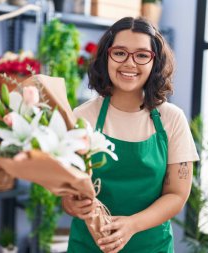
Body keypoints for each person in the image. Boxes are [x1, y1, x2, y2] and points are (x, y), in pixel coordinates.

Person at [62, 17, 199, 253]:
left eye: (142, 55)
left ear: (154, 62)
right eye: (120, 53)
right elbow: (67, 191)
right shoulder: (82, 116)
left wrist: (132, 225)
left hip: (151, 246)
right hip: (89, 246)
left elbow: (177, 194)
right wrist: (73, 205)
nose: (129, 63)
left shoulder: (172, 119)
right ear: (106, 56)